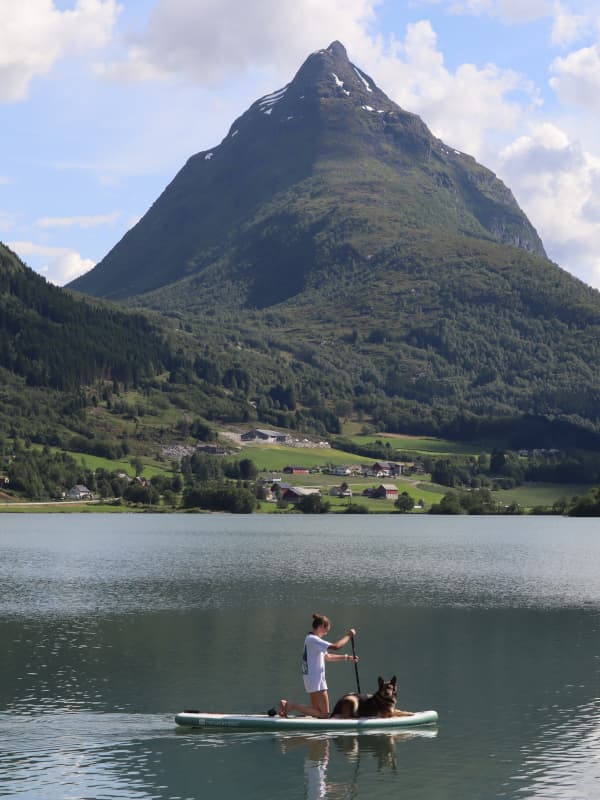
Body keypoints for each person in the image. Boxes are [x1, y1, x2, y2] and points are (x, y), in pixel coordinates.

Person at [278, 613, 358, 718]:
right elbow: (336, 646)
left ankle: (288, 706)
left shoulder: (311, 639)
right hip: (316, 679)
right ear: (321, 626)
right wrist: (349, 635)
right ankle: (290, 705)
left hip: (311, 678)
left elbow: (327, 657)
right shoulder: (313, 639)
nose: (326, 633)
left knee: (318, 712)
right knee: (324, 714)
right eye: (326, 630)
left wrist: (347, 657)